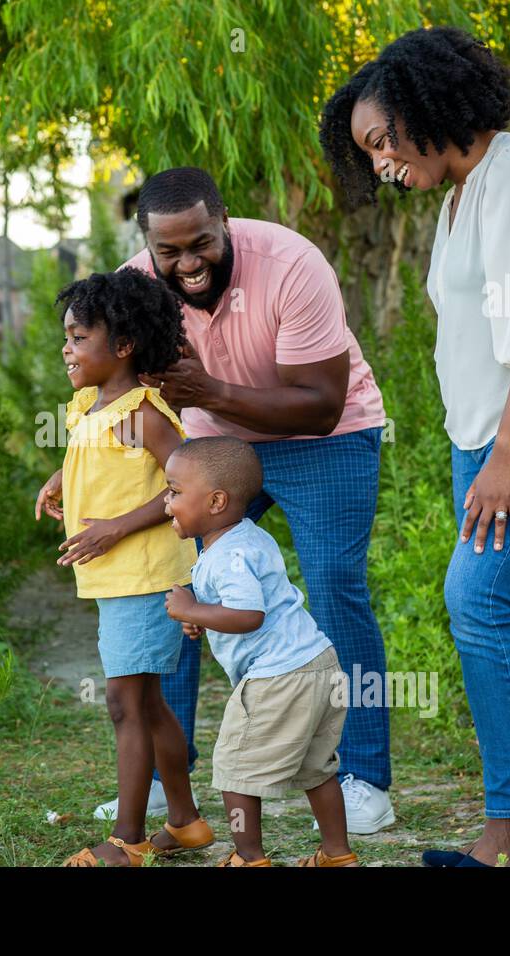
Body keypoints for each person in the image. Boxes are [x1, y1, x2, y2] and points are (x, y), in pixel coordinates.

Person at [320, 25, 510, 867]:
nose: (380, 162)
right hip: (490, 442)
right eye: (367, 151)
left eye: (383, 139)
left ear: (427, 105)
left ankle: (502, 837)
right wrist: (484, 449)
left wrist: (508, 456)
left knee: (477, 600)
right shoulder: (460, 196)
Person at [87, 166, 395, 833]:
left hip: (327, 439)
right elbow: (114, 387)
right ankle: (174, 786)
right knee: (180, 587)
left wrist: (211, 392)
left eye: (201, 243)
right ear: (147, 244)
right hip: (211, 446)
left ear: (224, 220)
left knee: (335, 585)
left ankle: (363, 775)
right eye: (169, 251)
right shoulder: (135, 285)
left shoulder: (291, 264)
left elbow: (320, 405)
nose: (188, 263)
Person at [36, 268, 216, 866]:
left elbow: (184, 482)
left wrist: (113, 527)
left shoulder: (142, 413)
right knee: (148, 701)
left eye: (78, 337)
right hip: (121, 579)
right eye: (65, 337)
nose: (66, 348)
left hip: (145, 574)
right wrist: (64, 478)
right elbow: (96, 454)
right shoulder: (93, 404)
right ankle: (185, 820)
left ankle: (129, 839)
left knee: (124, 703)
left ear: (123, 347)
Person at [160, 436, 358, 867]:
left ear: (215, 501)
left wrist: (191, 607)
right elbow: (246, 602)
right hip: (318, 663)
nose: (166, 501)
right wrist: (202, 616)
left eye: (174, 491)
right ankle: (337, 855)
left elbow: (248, 614)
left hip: (278, 678)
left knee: (234, 770)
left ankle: (248, 858)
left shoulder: (226, 555)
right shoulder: (248, 537)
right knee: (318, 768)